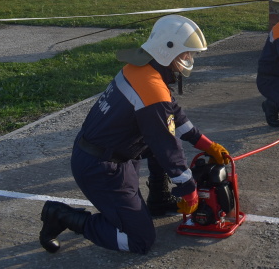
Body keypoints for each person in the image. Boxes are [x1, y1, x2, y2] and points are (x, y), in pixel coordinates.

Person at [39, 15, 231, 255]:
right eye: (185, 55)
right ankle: (62, 217)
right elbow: (166, 144)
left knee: (158, 144)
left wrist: (206, 144)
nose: (188, 60)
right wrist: (187, 187)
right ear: (167, 51)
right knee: (139, 240)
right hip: (101, 169)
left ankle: (159, 199)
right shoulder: (152, 91)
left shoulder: (141, 69)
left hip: (111, 154)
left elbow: (174, 115)